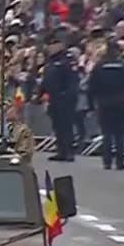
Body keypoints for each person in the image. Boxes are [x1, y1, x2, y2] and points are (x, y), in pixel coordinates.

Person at [87, 40, 124, 170]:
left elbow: (91, 86)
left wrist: (91, 104)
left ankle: (107, 161)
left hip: (103, 102)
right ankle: (120, 161)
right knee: (120, 134)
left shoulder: (99, 66)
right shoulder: (123, 66)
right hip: (120, 102)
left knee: (106, 133)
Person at [39, 33, 79, 161]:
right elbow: (46, 79)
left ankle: (69, 151)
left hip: (65, 98)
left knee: (66, 125)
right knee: (57, 125)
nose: (51, 47)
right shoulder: (50, 60)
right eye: (50, 45)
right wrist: (40, 93)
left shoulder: (67, 59)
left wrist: (67, 94)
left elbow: (73, 80)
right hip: (53, 97)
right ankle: (61, 151)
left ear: (60, 45)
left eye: (54, 45)